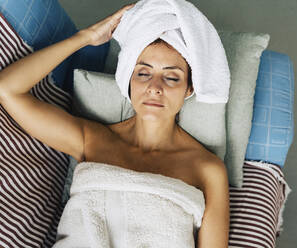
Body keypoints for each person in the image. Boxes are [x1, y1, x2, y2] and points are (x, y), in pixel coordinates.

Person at [0, 2, 230, 247]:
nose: (155, 87)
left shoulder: (208, 169)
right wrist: (85, 37)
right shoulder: (92, 139)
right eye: (143, 73)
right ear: (128, 80)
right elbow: (8, 89)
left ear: (189, 89)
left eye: (172, 77)